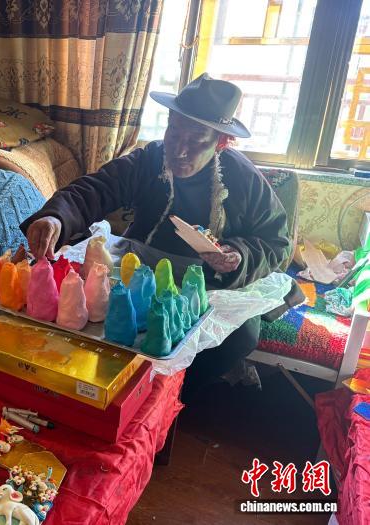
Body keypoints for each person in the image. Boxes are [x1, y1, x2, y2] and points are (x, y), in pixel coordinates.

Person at [21, 73, 292, 396]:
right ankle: (114, 391)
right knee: (101, 305)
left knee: (241, 338)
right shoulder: (150, 159)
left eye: (197, 140)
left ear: (221, 142)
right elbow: (98, 188)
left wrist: (239, 255)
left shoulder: (243, 177)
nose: (179, 150)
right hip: (142, 263)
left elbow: (277, 242)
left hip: (210, 280)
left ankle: (167, 399)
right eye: (174, 132)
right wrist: (55, 217)